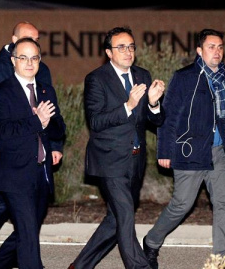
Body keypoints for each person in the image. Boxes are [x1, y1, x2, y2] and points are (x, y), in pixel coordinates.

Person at [142, 28, 225, 269]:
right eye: (211, 46)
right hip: (190, 151)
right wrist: (165, 152)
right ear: (199, 51)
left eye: (220, 47)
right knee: (182, 204)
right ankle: (151, 242)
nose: (217, 51)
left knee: (223, 203)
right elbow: (169, 117)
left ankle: (222, 259)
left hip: (218, 152)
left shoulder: (223, 78)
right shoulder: (185, 77)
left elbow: (224, 119)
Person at [68, 26, 165, 269]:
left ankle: (79, 266)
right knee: (125, 215)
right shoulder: (96, 79)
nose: (128, 51)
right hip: (109, 159)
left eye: (131, 46)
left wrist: (153, 104)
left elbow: (155, 121)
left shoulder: (143, 75)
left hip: (135, 159)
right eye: (121, 47)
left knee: (115, 220)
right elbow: (96, 121)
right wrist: (128, 105)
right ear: (109, 53)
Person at [0, 21, 63, 265]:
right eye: (23, 58)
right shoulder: (1, 91)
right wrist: (36, 120)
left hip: (41, 172)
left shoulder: (45, 91)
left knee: (26, 231)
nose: (30, 63)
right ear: (13, 60)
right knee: (30, 236)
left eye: (34, 58)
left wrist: (49, 125)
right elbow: (2, 130)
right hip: (14, 173)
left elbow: (59, 127)